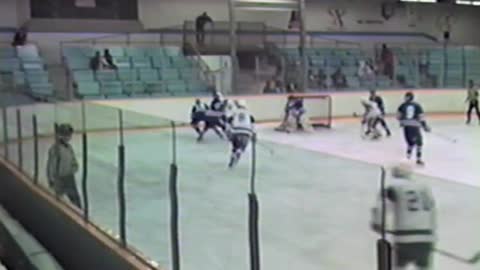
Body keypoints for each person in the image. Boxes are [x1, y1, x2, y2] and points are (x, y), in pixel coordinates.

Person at [371, 164, 436, 270]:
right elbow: (432, 211)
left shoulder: (394, 187)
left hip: (404, 238)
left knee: (399, 267)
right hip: (426, 238)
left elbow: (381, 207)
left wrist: (377, 224)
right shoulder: (424, 189)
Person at [47, 123, 82, 209]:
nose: (68, 137)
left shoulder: (69, 147)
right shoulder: (55, 149)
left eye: (69, 135)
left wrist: (74, 167)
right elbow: (51, 165)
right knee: (58, 201)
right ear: (60, 135)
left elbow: (73, 160)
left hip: (69, 177)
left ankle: (79, 213)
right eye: (65, 134)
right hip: (59, 178)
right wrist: (51, 179)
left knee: (75, 199)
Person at [397, 92, 431, 166]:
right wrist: (425, 126)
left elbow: (398, 116)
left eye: (406, 96)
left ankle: (408, 158)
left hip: (406, 126)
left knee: (410, 143)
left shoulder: (402, 105)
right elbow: (421, 117)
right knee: (419, 142)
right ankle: (418, 159)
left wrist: (402, 122)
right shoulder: (417, 105)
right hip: (414, 126)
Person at [227, 100, 256, 168]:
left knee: (234, 147)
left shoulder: (235, 112)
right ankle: (239, 151)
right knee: (242, 147)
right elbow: (253, 125)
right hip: (246, 132)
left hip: (235, 132)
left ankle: (233, 157)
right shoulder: (249, 113)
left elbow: (228, 121)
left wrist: (229, 131)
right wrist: (254, 134)